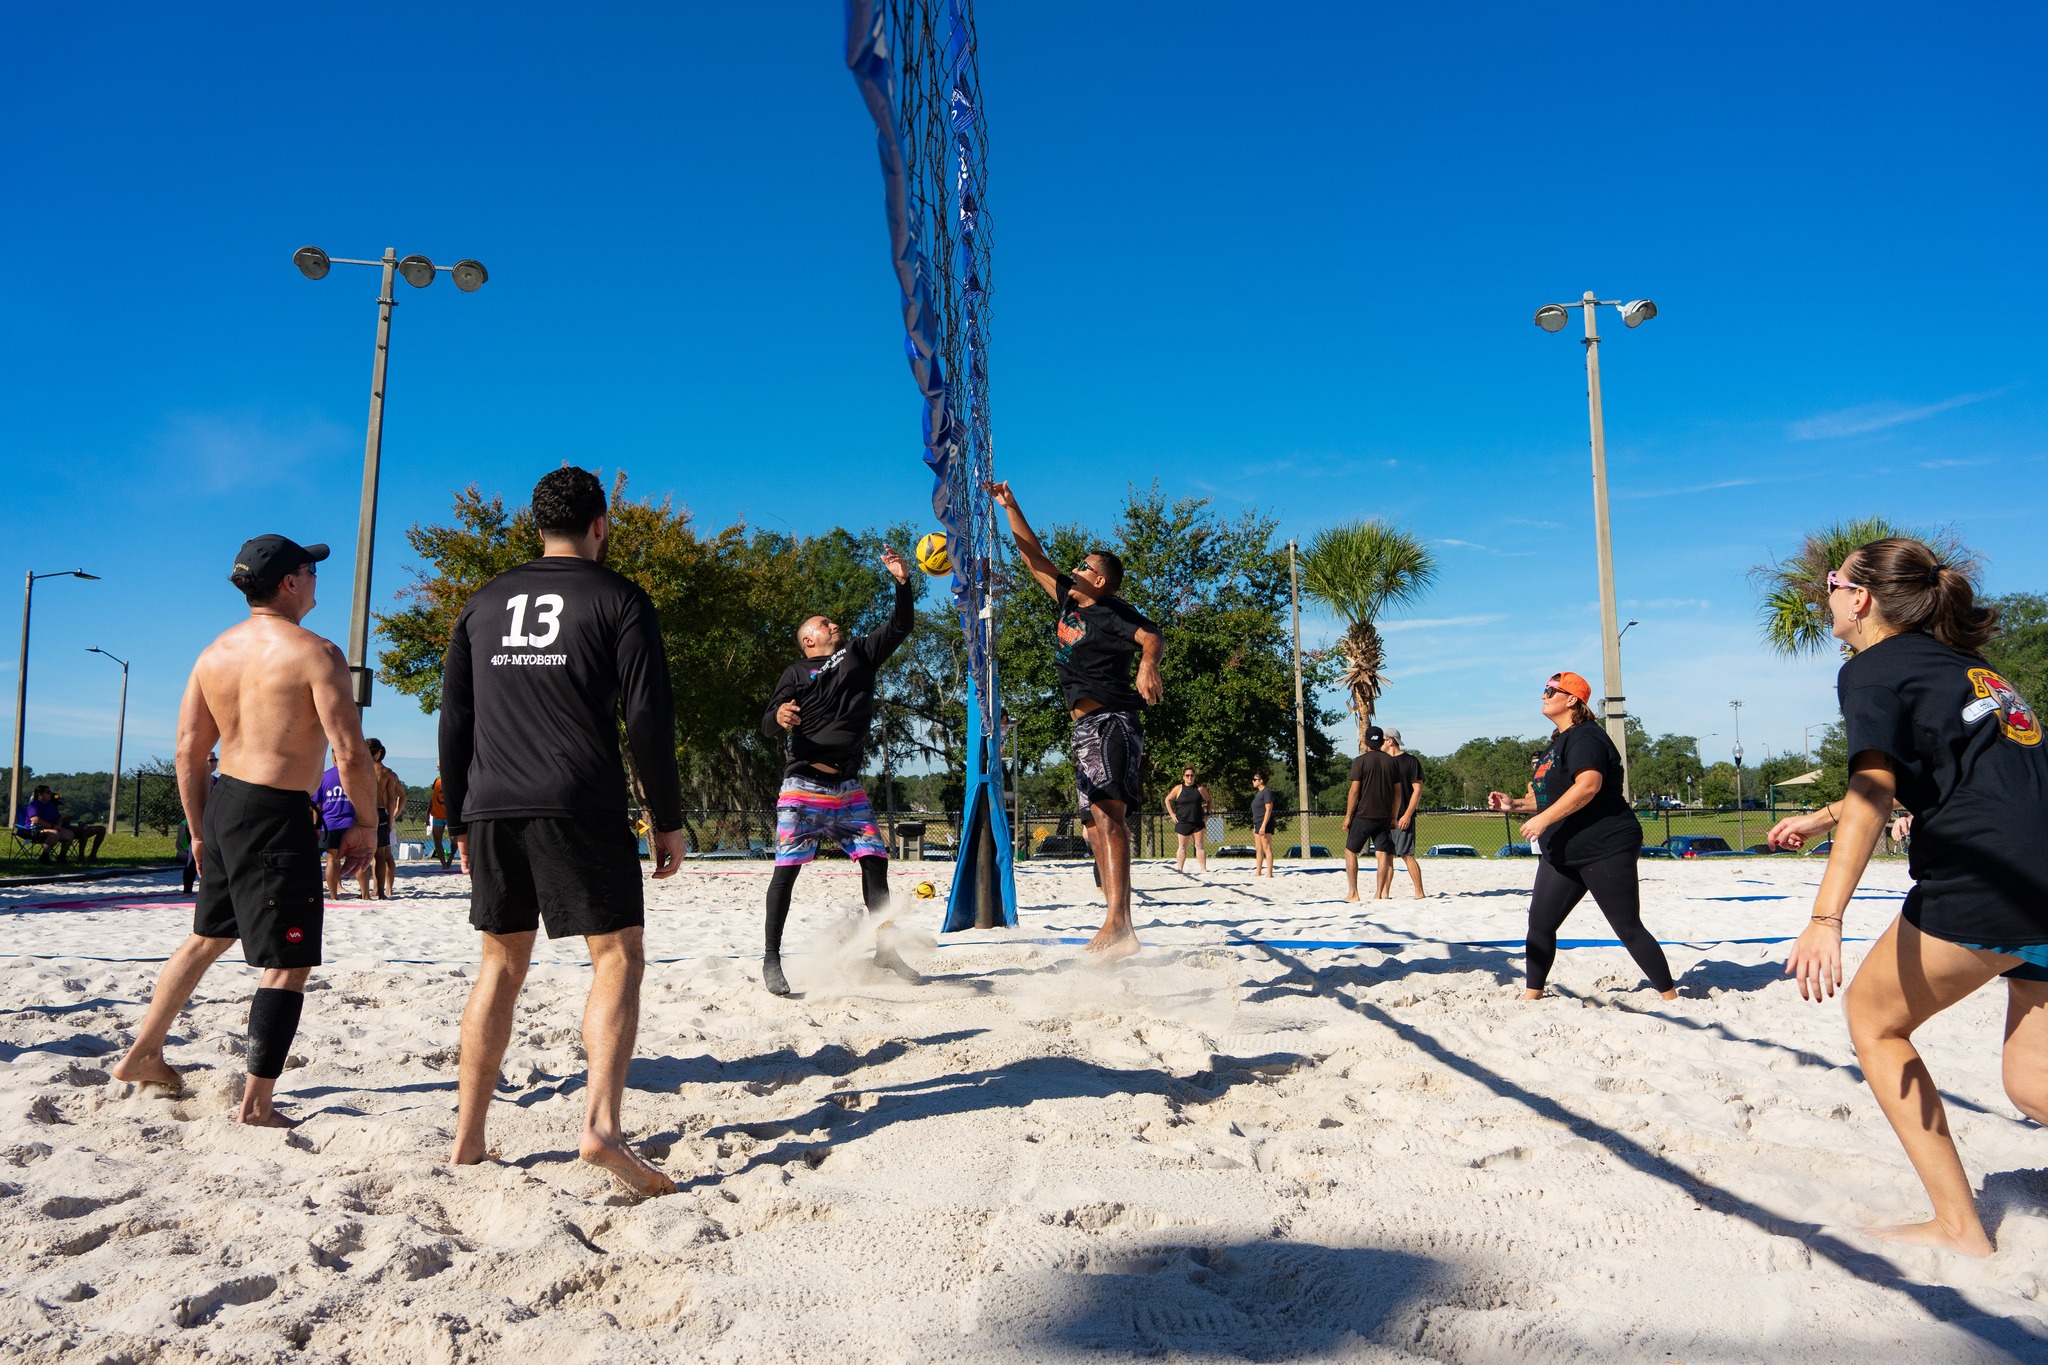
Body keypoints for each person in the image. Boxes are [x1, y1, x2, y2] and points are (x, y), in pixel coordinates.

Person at [1771, 538, 2048, 1257]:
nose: (1827, 595)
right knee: (2032, 1083)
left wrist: (1825, 917)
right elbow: (1945, 773)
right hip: (2039, 871)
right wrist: (1821, 817)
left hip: (1987, 873)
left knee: (1874, 1019)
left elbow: (1875, 787)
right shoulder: (1967, 669)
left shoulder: (1871, 667)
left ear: (1861, 598)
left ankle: (1960, 1227)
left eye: (1833, 582)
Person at [440, 466, 687, 1197]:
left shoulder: (482, 601)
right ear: (600, 524)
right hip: (577, 798)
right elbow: (647, 717)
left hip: (491, 801)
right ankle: (601, 1127)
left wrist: (458, 818)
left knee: (499, 964)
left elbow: (455, 718)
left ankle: (468, 1138)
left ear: (538, 525)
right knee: (617, 954)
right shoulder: (620, 597)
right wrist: (667, 817)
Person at [111, 534, 377, 1125]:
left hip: (226, 802)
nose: (316, 580)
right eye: (310, 570)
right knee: (289, 960)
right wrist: (366, 822)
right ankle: (257, 1104)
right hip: (276, 812)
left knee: (207, 936)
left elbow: (188, 751)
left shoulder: (214, 653)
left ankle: (144, 1051)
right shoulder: (317, 652)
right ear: (289, 582)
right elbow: (349, 750)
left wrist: (198, 829)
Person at [989, 480, 1163, 959]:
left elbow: (1152, 636)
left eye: (1085, 566)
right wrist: (1010, 505)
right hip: (1084, 728)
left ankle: (1119, 924)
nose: (1075, 569)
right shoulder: (1069, 600)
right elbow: (1034, 558)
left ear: (1100, 581)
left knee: (1110, 817)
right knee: (1091, 826)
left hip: (1112, 720)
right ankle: (1117, 923)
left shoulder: (1112, 612)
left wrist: (1148, 665)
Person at [759, 545, 920, 996]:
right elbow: (766, 723)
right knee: (786, 872)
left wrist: (902, 582)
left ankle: (885, 950)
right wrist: (780, 716)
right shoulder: (796, 672)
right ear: (808, 640)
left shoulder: (859, 653)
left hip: (847, 789)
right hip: (804, 786)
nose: (833, 624)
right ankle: (771, 959)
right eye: (823, 623)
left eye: (832, 622)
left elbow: (901, 625)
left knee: (875, 861)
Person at [1487, 671, 1675, 1002]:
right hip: (1564, 849)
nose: (1543, 695)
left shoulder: (1586, 737)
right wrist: (1515, 804)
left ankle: (1670, 997)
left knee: (1627, 926)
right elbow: (1553, 797)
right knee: (1540, 924)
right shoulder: (1557, 742)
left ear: (1572, 699)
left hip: (1604, 845)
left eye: (1550, 690)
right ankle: (1532, 997)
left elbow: (1588, 786)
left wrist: (1543, 819)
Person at [1342, 727, 1401, 902]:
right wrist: (1394, 816)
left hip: (1363, 814)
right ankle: (1378, 893)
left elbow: (1354, 791)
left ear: (1365, 741)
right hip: (1384, 815)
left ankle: (1354, 893)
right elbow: (1398, 793)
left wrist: (1348, 816)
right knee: (1382, 854)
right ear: (1382, 741)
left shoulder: (1359, 761)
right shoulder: (1392, 762)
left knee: (1350, 851)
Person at [1381, 727, 1427, 899]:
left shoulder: (1410, 761)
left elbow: (1418, 789)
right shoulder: (1383, 761)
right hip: (1385, 817)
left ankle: (1419, 892)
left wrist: (1407, 814)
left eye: (1382, 740)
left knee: (1406, 854)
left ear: (1390, 741)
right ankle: (1384, 893)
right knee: (1387, 856)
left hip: (1402, 816)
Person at [317, 758, 370, 899]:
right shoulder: (357, 775)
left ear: (333, 758)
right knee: (360, 858)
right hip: (352, 823)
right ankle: (365, 894)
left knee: (332, 861)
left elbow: (318, 806)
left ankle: (333, 895)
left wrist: (317, 826)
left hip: (330, 824)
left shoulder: (323, 776)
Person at [368, 739, 405, 898]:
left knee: (365, 854)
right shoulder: (387, 772)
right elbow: (392, 798)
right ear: (379, 752)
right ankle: (382, 891)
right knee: (382, 855)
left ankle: (366, 891)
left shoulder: (360, 769)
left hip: (364, 811)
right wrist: (392, 818)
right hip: (381, 812)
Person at [1163, 766, 1210, 875]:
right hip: (1183, 821)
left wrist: (1208, 813)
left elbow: (1209, 800)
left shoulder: (1200, 789)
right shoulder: (1178, 788)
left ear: (1194, 776)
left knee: (1199, 845)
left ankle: (1203, 869)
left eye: (1192, 775)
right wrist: (1172, 814)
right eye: (1187, 775)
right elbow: (1167, 800)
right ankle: (1180, 869)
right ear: (1183, 777)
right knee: (1182, 847)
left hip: (1198, 821)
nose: (1190, 777)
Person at [17, 786, 71, 862]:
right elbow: (35, 820)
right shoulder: (34, 805)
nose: (50, 794)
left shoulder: (50, 805)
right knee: (54, 834)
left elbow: (58, 817)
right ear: (39, 794)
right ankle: (44, 857)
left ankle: (62, 857)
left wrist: (59, 824)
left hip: (49, 829)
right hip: (33, 830)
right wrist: (53, 826)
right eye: (48, 792)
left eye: (50, 792)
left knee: (69, 834)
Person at [1249, 769, 1278, 877]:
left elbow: (1268, 809)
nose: (1253, 781)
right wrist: (1255, 826)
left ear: (1261, 781)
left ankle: (1269, 873)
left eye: (1255, 779)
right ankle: (1258, 871)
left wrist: (1263, 825)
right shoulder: (1259, 793)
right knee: (1258, 849)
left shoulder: (1267, 792)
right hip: (1257, 823)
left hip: (1264, 823)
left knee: (1267, 848)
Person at [428, 764, 452, 868]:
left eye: (438, 765)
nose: (436, 767)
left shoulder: (451, 779)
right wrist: (427, 814)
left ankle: (450, 859)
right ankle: (443, 864)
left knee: (455, 841)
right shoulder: (436, 781)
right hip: (437, 815)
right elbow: (433, 798)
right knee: (437, 840)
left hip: (450, 816)